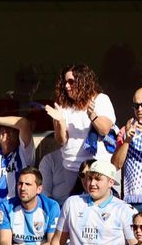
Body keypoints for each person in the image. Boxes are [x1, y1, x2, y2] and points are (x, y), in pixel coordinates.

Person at [43, 64, 116, 200]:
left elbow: (104, 129)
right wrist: (60, 122)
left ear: (83, 82)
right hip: (71, 167)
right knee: (76, 206)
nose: (66, 86)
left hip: (96, 166)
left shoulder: (101, 100)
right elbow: (61, 140)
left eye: (71, 82)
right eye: (65, 82)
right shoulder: (63, 106)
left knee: (97, 206)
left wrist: (92, 115)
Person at [56, 157, 135, 245]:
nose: (92, 183)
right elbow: (58, 240)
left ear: (110, 182)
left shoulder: (124, 209)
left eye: (98, 179)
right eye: (89, 178)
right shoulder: (72, 203)